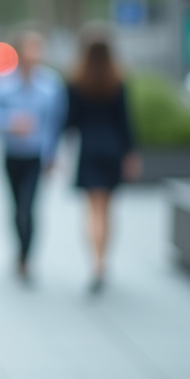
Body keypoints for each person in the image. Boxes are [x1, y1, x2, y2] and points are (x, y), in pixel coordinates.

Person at [65, 28, 140, 294]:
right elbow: (126, 122)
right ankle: (104, 261)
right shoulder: (118, 82)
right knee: (107, 210)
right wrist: (131, 153)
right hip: (113, 150)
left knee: (92, 210)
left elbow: (70, 122)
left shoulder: (76, 83)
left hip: (89, 150)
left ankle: (95, 263)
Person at [0, 30, 66, 281]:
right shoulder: (2, 85)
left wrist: (52, 154)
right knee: (15, 208)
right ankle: (19, 250)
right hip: (12, 155)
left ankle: (26, 257)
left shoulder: (51, 85)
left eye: (38, 48)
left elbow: (55, 124)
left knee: (28, 207)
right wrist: (11, 123)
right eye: (30, 48)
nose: (35, 54)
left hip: (36, 156)